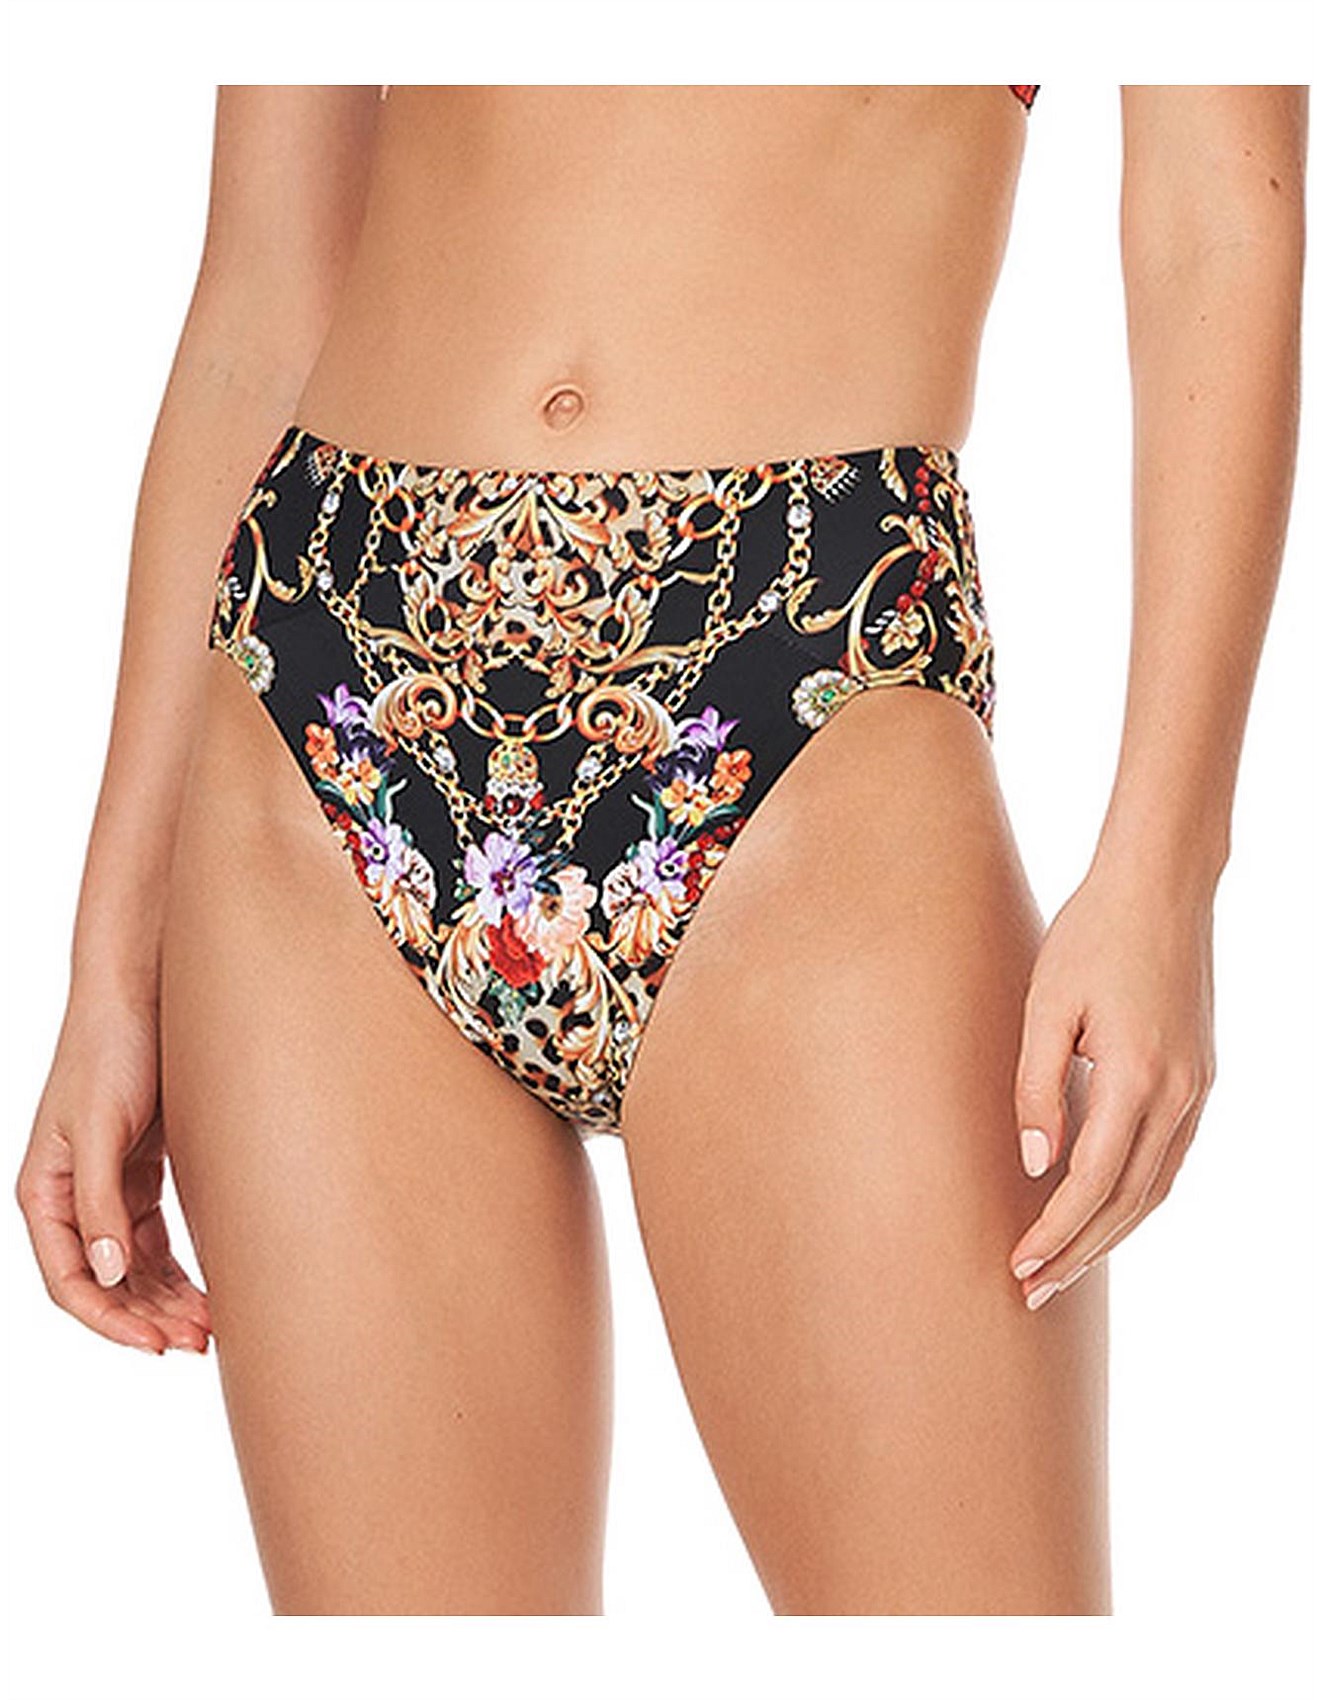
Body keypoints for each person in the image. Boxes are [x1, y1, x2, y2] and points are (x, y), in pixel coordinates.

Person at [14, 85, 1306, 1616]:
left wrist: (1166, 866)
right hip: (324, 688)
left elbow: (1219, 217)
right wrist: (110, 961)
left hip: (802, 669)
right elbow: (259, 288)